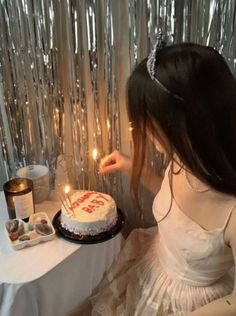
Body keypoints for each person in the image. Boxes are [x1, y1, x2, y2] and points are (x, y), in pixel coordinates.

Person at [70, 42, 236, 315]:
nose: (144, 130)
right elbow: (179, 212)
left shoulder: (231, 210)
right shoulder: (184, 159)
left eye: (151, 120)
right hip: (152, 268)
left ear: (190, 120)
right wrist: (132, 166)